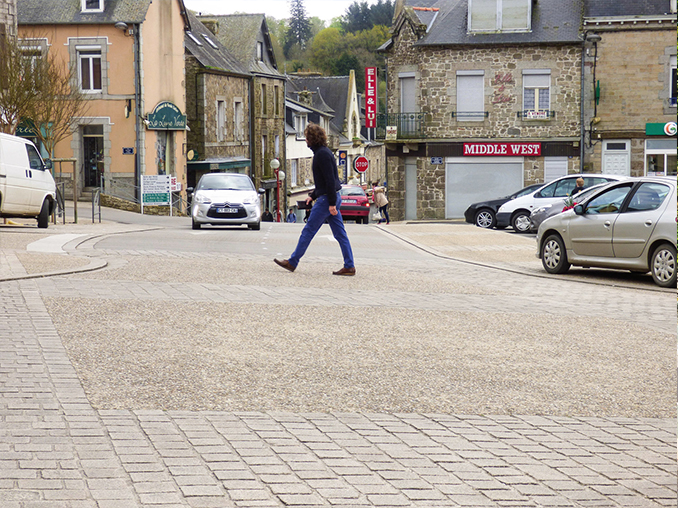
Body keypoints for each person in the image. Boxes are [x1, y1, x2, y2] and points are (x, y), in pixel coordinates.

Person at [274, 123, 355, 276]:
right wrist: (312, 195)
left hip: (327, 200)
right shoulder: (324, 152)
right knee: (340, 234)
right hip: (330, 197)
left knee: (308, 230)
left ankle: (292, 262)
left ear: (312, 139)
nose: (305, 141)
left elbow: (330, 180)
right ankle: (349, 266)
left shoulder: (322, 155)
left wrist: (331, 203)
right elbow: (325, 182)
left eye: (306, 138)